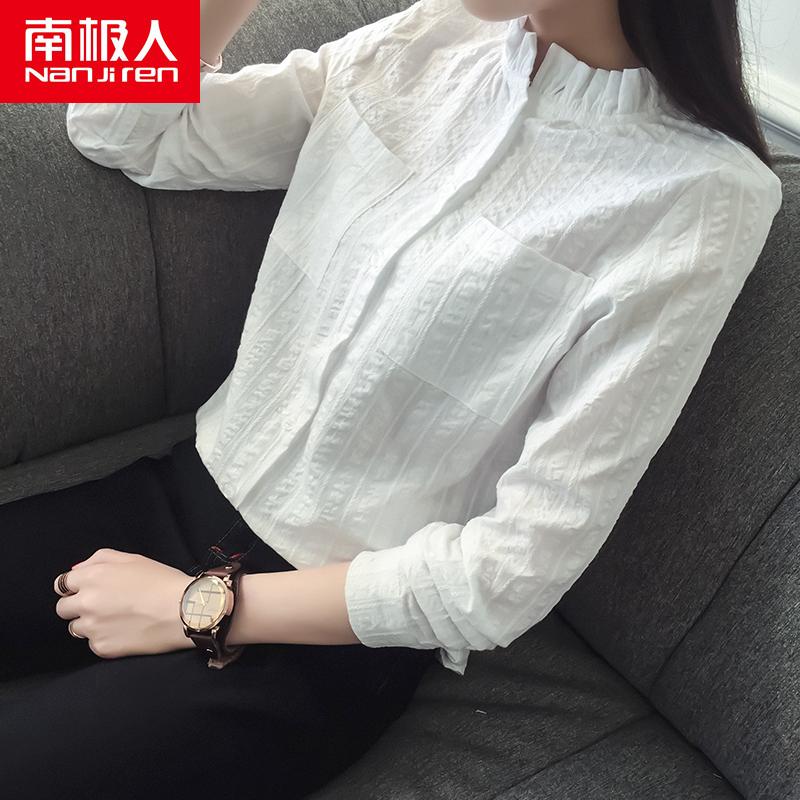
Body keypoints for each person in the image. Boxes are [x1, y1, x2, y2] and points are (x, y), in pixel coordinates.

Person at [4, 0, 783, 797]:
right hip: (174, 492)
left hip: (320, 641)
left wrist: (199, 605)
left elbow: (508, 575)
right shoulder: (428, 37)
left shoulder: (704, 196)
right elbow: (122, 132)